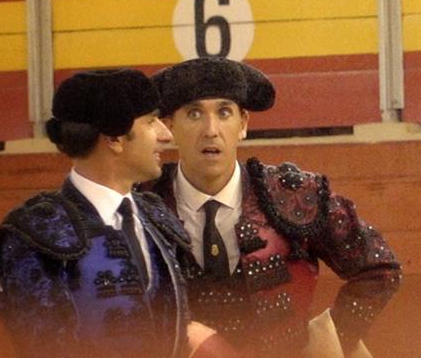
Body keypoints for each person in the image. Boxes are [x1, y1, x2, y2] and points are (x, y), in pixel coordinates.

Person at [145, 57, 402, 356]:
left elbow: (380, 269)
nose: (211, 129)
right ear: (170, 125)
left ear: (243, 124)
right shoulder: (140, 205)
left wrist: (332, 336)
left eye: (224, 112)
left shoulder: (292, 194)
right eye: (194, 114)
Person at [0, 69, 230, 357]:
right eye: (151, 122)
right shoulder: (34, 234)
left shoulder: (155, 216)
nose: (165, 134)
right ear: (114, 139)